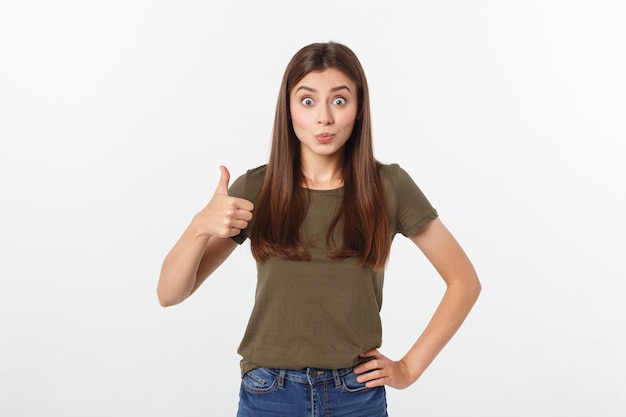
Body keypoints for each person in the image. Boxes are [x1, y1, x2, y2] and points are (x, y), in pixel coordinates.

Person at [157, 41, 481, 417]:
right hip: (269, 394)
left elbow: (464, 281)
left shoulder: (389, 187)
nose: (323, 118)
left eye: (339, 101)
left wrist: (408, 369)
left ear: (359, 109)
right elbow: (169, 293)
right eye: (308, 101)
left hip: (356, 394)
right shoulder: (256, 190)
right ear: (289, 109)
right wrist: (199, 226)